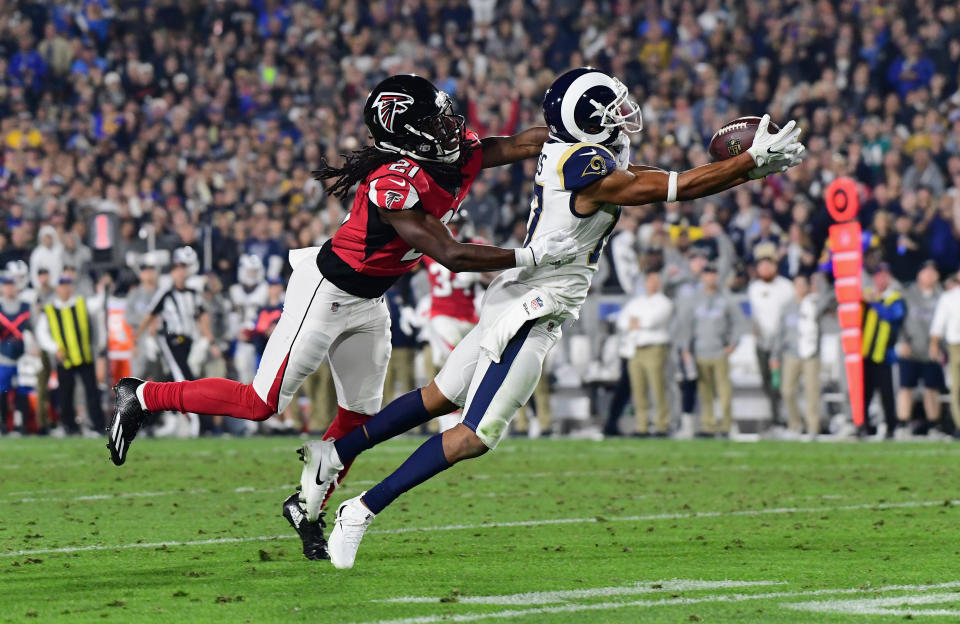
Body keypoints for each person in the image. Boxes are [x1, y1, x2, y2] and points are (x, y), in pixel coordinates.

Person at [298, 67, 805, 568]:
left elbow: (659, 179)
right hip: (537, 302)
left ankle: (336, 453)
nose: (624, 117)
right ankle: (360, 509)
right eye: (612, 110)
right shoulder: (586, 169)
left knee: (440, 396)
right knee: (475, 434)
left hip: (522, 290)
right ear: (588, 122)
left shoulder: (577, 153)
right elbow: (675, 187)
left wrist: (748, 169)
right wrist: (747, 164)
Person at [108, 74, 579, 558]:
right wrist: (530, 257)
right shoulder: (392, 182)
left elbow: (523, 143)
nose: (448, 124)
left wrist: (579, 128)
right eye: (433, 120)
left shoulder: (452, 152)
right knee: (260, 402)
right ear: (407, 136)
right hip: (326, 293)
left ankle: (307, 507)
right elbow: (450, 254)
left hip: (372, 300)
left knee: (358, 417)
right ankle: (142, 395)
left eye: (443, 112)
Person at [132, 247, 219, 438]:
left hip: (187, 341)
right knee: (185, 380)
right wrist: (138, 339)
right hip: (170, 340)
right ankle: (198, 424)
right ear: (172, 273)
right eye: (177, 269)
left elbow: (202, 317)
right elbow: (151, 316)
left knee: (171, 382)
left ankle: (157, 421)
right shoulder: (166, 293)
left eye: (183, 269)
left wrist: (209, 341)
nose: (180, 273)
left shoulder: (193, 294)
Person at [421, 210, 485, 432]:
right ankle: (449, 415)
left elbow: (497, 275)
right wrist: (406, 302)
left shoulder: (475, 244)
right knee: (451, 363)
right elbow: (404, 275)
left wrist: (480, 273)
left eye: (458, 225)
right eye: (453, 224)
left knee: (473, 366)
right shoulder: (430, 248)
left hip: (470, 317)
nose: (455, 229)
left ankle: (467, 413)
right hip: (442, 316)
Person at [679, 261, 743, 437]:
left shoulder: (726, 298)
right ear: (702, 277)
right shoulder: (694, 300)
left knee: (724, 392)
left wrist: (733, 344)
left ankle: (726, 425)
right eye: (707, 274)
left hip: (719, 352)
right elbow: (687, 326)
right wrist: (685, 348)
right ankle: (708, 426)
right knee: (704, 392)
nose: (711, 278)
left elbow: (738, 323)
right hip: (699, 352)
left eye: (713, 274)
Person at [35, 274, 105, 435]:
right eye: (62, 285)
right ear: (57, 288)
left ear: (72, 287)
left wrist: (102, 289)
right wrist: (54, 348)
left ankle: (98, 425)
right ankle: (69, 426)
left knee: (91, 392)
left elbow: (98, 304)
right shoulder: (50, 309)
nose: (65, 289)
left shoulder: (81, 303)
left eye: (68, 285)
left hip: (84, 356)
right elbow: (42, 333)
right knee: (65, 394)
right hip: (64, 358)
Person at [614, 270, 673, 436]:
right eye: (649, 280)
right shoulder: (636, 302)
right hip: (635, 348)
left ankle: (662, 425)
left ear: (659, 283)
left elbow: (652, 321)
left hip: (654, 348)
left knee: (657, 388)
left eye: (655, 281)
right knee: (638, 390)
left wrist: (636, 321)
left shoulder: (664, 302)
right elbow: (622, 321)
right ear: (645, 283)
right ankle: (642, 425)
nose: (652, 284)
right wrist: (636, 322)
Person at [747, 242, 795, 425]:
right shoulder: (754, 288)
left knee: (780, 382)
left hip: (781, 343)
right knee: (766, 381)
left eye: (769, 264)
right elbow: (755, 316)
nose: (765, 268)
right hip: (762, 342)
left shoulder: (786, 287)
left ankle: (783, 418)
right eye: (762, 265)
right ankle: (776, 416)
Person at [771, 273, 822, 437]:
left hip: (811, 355)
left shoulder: (814, 304)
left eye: (803, 285)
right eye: (797, 285)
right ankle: (795, 424)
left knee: (811, 392)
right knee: (787, 390)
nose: (800, 288)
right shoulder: (787, 307)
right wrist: (774, 355)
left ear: (808, 287)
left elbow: (829, 298)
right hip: (791, 353)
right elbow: (780, 333)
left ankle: (813, 427)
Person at [897, 261, 945, 433]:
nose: (929, 275)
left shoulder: (942, 295)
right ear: (919, 275)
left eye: (933, 272)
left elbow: (945, 324)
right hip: (911, 348)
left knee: (932, 388)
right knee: (906, 388)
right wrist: (902, 341)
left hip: (932, 350)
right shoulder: (907, 294)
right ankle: (903, 424)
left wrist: (941, 347)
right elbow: (899, 320)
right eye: (926, 272)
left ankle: (934, 425)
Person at [861, 262, 907, 438]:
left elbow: (893, 316)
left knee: (887, 394)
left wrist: (874, 303)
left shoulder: (895, 298)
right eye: (878, 275)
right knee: (865, 394)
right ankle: (863, 426)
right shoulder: (867, 297)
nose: (881, 278)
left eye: (885, 275)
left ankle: (891, 427)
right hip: (866, 354)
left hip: (884, 355)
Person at [0, 274, 31, 435]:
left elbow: (33, 329)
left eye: (12, 284)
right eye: (6, 285)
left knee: (22, 393)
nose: (9, 288)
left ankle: (22, 425)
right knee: (2, 393)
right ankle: (3, 424)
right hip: (3, 357)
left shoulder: (26, 307)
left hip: (23, 359)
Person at [930, 273, 960, 435]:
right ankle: (959, 424)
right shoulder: (949, 297)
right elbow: (938, 324)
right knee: (956, 387)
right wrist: (934, 344)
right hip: (955, 346)